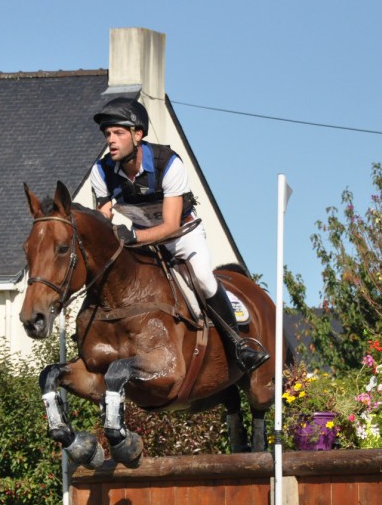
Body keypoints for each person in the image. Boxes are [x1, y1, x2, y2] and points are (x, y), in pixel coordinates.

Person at [89, 97, 269, 373]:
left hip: (182, 234)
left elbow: (171, 225)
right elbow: (103, 219)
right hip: (141, 238)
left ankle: (238, 346)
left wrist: (133, 239)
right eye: (107, 134)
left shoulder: (168, 163)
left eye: (118, 133)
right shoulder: (101, 171)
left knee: (204, 281)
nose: (110, 140)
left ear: (138, 135)